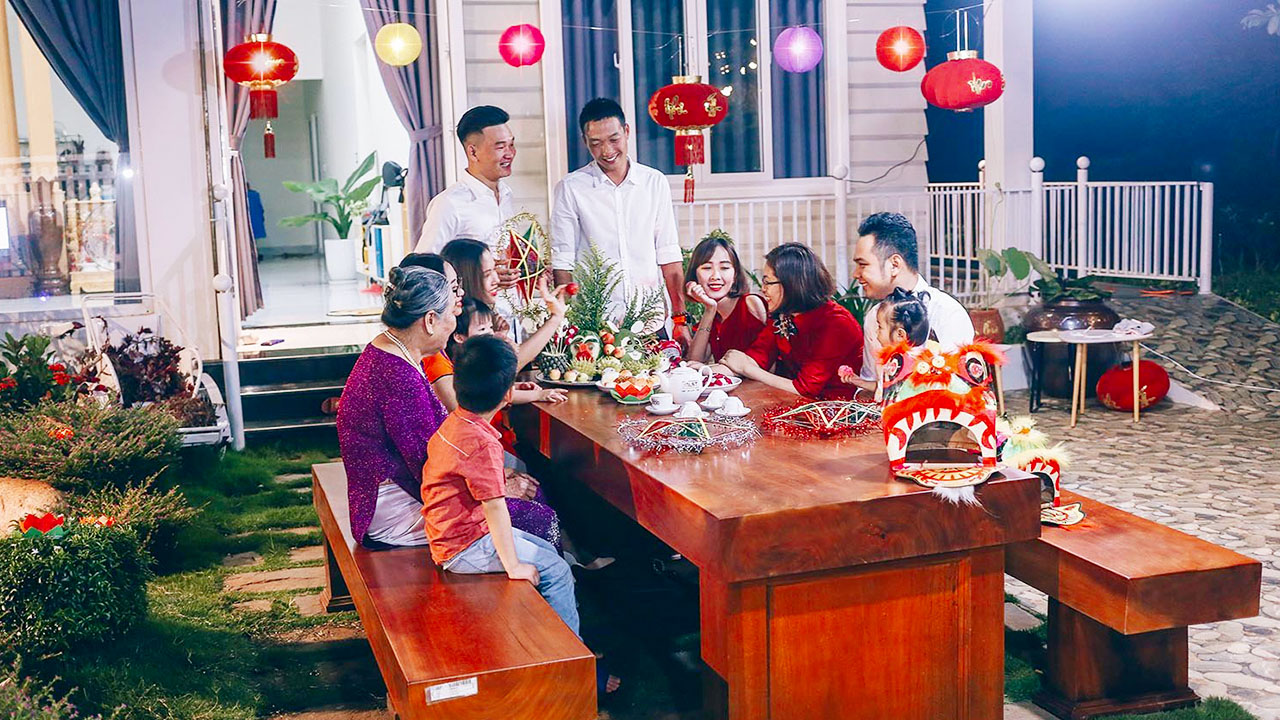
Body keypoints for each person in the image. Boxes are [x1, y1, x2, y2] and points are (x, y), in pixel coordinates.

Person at [335, 266, 561, 549]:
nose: (455, 323)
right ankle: (552, 584)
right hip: (396, 507)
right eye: (451, 316)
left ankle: (564, 579)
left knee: (530, 490)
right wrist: (497, 488)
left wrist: (494, 476)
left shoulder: (395, 350)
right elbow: (426, 464)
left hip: (413, 484)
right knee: (537, 516)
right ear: (430, 320)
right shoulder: (396, 374)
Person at [421, 334, 579, 629]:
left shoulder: (456, 424)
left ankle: (552, 633)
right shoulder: (482, 444)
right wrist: (514, 566)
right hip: (464, 547)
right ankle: (574, 665)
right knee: (556, 570)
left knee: (548, 548)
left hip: (454, 536)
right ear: (508, 395)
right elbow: (495, 508)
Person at [550, 98, 689, 346]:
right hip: (594, 324)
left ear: (626, 132)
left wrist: (680, 320)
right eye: (596, 143)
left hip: (650, 321)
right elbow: (563, 259)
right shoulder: (571, 188)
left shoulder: (653, 183)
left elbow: (668, 254)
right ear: (585, 142)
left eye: (614, 140)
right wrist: (566, 321)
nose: (607, 151)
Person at [717, 243, 864, 399]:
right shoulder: (784, 314)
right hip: (793, 403)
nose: (763, 289)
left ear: (791, 284)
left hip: (834, 411)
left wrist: (746, 368)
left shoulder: (836, 323)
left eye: (767, 282)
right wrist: (703, 372)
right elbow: (758, 356)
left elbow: (805, 389)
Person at [852, 212, 974, 384]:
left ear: (894, 264)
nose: (855, 274)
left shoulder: (946, 312)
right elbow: (870, 381)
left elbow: (956, 390)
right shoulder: (875, 316)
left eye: (862, 264)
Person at [442, 238, 569, 368]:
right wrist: (555, 317)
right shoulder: (458, 322)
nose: (496, 279)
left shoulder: (487, 314)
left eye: (495, 270)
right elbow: (505, 369)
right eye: (487, 275)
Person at [416, 105, 519, 258]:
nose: (510, 154)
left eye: (511, 145)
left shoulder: (506, 195)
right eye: (500, 147)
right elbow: (425, 268)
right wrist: (480, 274)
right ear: (473, 152)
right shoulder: (449, 203)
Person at [683, 232, 768, 363]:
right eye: (706, 268)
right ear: (695, 276)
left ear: (735, 275)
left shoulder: (751, 303)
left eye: (724, 268)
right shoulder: (712, 317)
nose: (715, 276)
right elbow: (694, 361)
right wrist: (710, 309)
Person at [839, 287, 932, 392]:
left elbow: (893, 394)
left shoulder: (906, 362)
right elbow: (883, 389)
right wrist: (858, 381)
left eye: (880, 327)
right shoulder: (894, 358)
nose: (876, 331)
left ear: (900, 334)